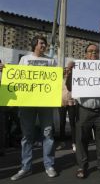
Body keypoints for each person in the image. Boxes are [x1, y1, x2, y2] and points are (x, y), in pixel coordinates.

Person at [10, 35, 57, 181]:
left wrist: (65, 73)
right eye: (41, 43)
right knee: (27, 136)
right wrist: (5, 70)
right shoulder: (24, 59)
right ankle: (25, 167)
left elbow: (55, 80)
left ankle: (49, 165)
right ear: (34, 45)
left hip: (45, 103)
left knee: (48, 134)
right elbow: (17, 78)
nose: (44, 45)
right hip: (27, 103)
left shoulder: (51, 61)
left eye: (45, 43)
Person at [66, 44, 100, 178]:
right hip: (84, 109)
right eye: (91, 51)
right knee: (81, 139)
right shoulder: (78, 68)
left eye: (96, 51)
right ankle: (82, 167)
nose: (94, 53)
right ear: (85, 54)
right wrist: (70, 72)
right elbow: (70, 87)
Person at [56, 61, 77, 152]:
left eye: (68, 69)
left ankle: (74, 143)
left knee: (72, 123)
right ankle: (62, 142)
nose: (66, 71)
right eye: (65, 70)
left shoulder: (73, 78)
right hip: (61, 103)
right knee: (62, 123)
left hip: (71, 103)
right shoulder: (58, 80)